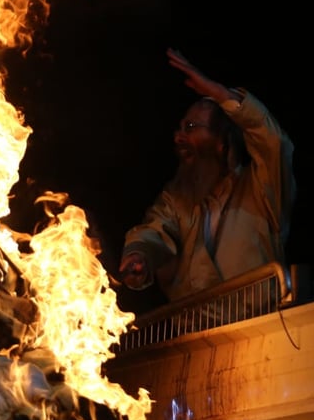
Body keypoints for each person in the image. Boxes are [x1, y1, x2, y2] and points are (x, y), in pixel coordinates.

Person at [118, 48, 296, 303]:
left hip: (260, 329)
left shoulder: (261, 188)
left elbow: (273, 142)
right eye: (179, 128)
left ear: (222, 141)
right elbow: (153, 231)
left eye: (191, 127)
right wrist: (139, 254)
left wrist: (221, 95)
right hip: (194, 336)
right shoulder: (177, 197)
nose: (179, 137)